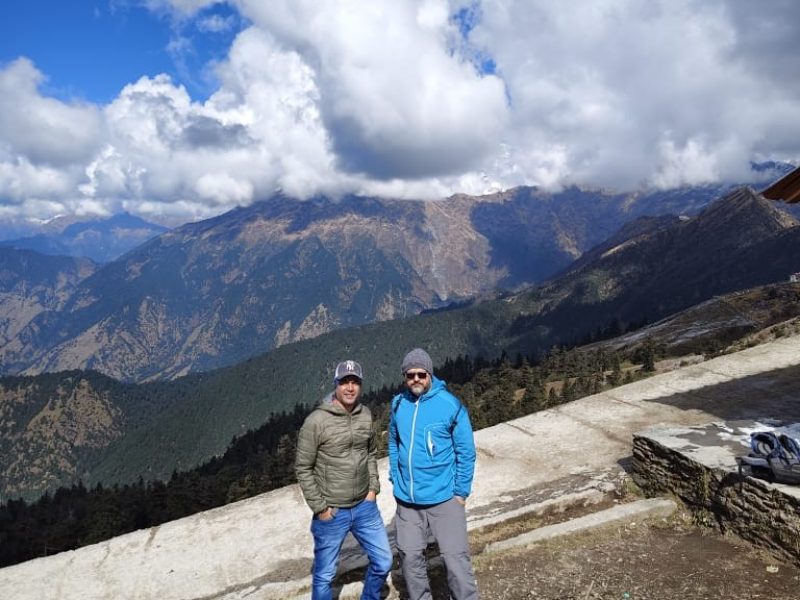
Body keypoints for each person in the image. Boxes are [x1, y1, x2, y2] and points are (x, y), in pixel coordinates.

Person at [295, 359, 393, 600]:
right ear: (336, 385)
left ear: (360, 386)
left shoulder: (365, 415)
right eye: (345, 382)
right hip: (332, 511)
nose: (350, 388)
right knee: (325, 575)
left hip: (364, 506)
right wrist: (320, 508)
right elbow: (303, 468)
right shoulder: (316, 422)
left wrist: (373, 488)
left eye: (355, 382)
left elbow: (371, 452)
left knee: (383, 560)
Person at [388, 348, 479, 600]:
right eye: (410, 375)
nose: (415, 379)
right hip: (408, 501)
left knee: (456, 559)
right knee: (409, 558)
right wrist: (396, 476)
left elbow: (466, 451)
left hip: (444, 498)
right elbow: (394, 443)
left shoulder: (450, 405)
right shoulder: (398, 404)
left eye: (421, 374)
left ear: (429, 374)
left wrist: (461, 492)